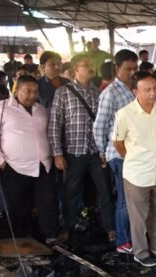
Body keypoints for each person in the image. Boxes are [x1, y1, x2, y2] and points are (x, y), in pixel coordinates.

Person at [50, 53, 115, 241]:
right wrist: (57, 153)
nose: (91, 68)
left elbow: (105, 123)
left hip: (96, 152)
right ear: (75, 70)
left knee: (104, 190)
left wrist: (105, 149)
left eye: (91, 65)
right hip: (74, 152)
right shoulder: (63, 92)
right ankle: (68, 226)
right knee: (71, 192)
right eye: (86, 65)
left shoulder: (97, 92)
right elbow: (55, 124)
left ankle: (109, 227)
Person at [113, 71, 156, 267]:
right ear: (135, 92)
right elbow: (118, 142)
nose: (153, 93)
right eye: (147, 90)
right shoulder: (124, 114)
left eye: (154, 88)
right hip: (137, 175)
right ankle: (141, 252)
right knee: (139, 218)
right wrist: (133, 158)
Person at [0, 75, 59, 241]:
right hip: (15, 166)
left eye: (35, 91)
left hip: (43, 165)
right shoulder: (1, 107)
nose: (32, 95)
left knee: (48, 203)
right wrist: (1, 161)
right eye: (28, 91)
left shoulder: (40, 109)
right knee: (19, 206)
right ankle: (21, 239)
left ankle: (49, 237)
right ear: (16, 91)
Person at [94, 49, 138, 253]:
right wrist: (102, 152)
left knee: (134, 199)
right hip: (118, 154)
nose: (132, 73)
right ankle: (123, 241)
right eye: (128, 69)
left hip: (137, 154)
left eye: (135, 68)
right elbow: (99, 126)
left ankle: (133, 237)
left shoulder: (136, 90)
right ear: (116, 68)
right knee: (125, 199)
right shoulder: (110, 93)